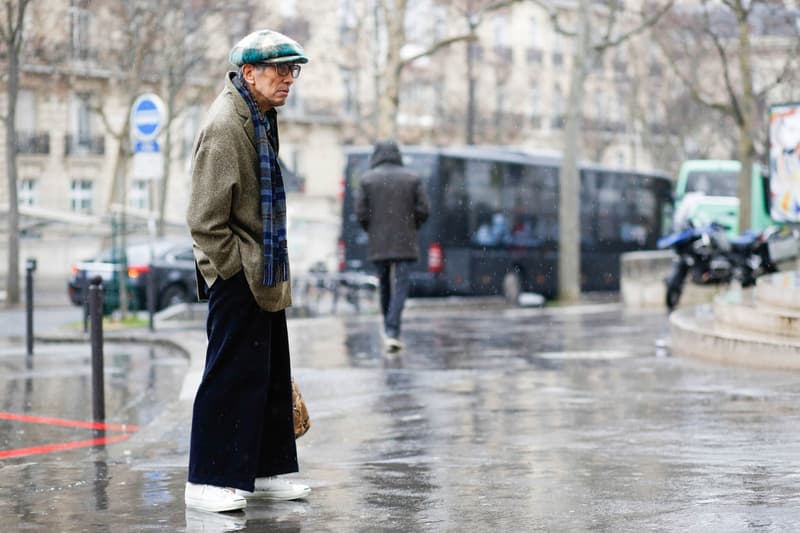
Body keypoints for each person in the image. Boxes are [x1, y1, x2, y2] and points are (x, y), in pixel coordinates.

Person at [184, 29, 311, 513]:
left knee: (271, 374)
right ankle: (208, 479)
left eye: (292, 70)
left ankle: (267, 467)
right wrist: (234, 272)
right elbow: (204, 219)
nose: (287, 79)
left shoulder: (258, 116)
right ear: (249, 72)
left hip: (265, 268)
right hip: (240, 272)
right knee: (230, 374)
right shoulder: (225, 125)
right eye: (279, 69)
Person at [356, 140, 430, 351]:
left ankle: (388, 328)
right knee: (401, 285)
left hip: (378, 242)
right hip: (405, 240)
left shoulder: (367, 180)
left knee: (385, 285)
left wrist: (373, 229)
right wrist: (411, 225)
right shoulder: (412, 178)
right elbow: (424, 209)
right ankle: (393, 329)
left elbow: (361, 213)